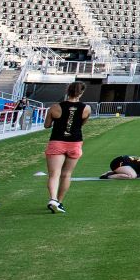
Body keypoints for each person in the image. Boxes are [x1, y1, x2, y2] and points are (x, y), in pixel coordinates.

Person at [43, 82, 93, 214]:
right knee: (66, 175)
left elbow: (47, 125)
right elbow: (82, 124)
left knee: (54, 174)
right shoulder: (86, 108)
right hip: (75, 142)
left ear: (67, 91)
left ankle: (53, 199)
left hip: (57, 142)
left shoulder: (55, 107)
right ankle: (59, 202)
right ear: (81, 93)